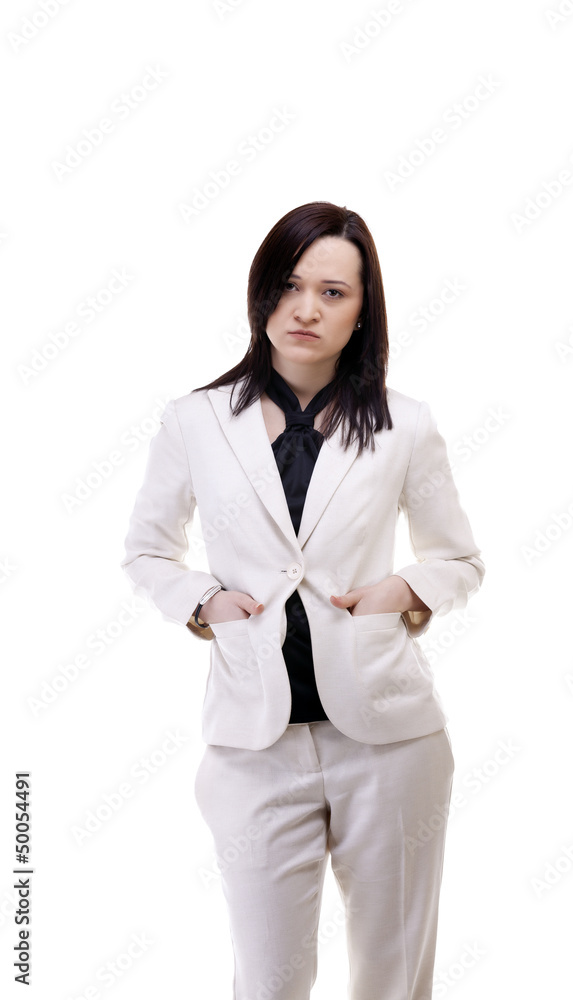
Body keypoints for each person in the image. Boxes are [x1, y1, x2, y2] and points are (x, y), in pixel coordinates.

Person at [121, 200, 485, 999]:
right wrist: (203, 601)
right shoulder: (195, 421)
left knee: (393, 978)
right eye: (289, 285)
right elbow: (147, 550)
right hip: (254, 747)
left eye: (332, 292)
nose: (305, 309)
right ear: (260, 296)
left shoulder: (405, 426)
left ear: (362, 313)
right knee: (267, 979)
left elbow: (458, 558)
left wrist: (404, 591)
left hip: (390, 743)